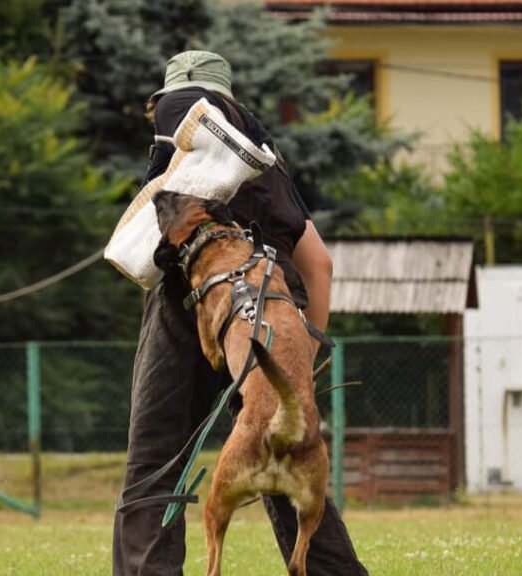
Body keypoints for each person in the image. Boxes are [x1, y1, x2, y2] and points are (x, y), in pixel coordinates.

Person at [112, 50, 370, 576]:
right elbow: (319, 264)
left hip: (185, 314)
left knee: (156, 463)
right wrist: (303, 352)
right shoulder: (269, 172)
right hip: (271, 311)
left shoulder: (176, 141)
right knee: (285, 447)